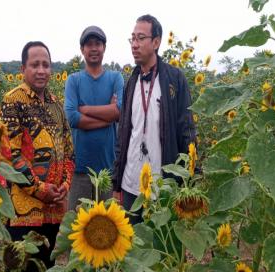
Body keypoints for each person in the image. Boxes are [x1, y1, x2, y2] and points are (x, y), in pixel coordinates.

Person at [0, 41, 75, 272]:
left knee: (47, 265)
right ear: (23, 69)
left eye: (46, 65)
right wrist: (41, 189)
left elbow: (69, 149)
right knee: (25, 267)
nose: (41, 70)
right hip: (24, 211)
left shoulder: (56, 105)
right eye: (35, 65)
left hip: (53, 209)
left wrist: (64, 185)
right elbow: (10, 156)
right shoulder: (13, 102)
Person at [112, 15, 196, 224]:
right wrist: (116, 182)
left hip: (163, 183)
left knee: (162, 247)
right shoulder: (131, 82)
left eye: (140, 38)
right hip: (131, 182)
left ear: (156, 42)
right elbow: (123, 134)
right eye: (132, 39)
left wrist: (188, 180)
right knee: (134, 248)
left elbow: (186, 129)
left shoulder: (174, 79)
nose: (134, 44)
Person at [64, 26, 124, 210]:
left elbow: (120, 111)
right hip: (79, 169)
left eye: (97, 43)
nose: (94, 48)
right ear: (82, 50)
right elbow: (73, 118)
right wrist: (108, 116)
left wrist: (86, 109)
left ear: (104, 47)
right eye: (89, 44)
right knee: (76, 228)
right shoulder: (74, 80)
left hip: (107, 170)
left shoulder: (115, 78)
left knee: (107, 229)